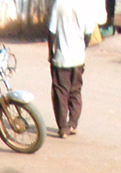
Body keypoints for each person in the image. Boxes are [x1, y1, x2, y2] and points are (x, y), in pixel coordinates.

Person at [48, 0, 96, 138]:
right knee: (75, 91)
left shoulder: (59, 4)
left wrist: (51, 52)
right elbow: (88, 34)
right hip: (78, 58)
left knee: (60, 93)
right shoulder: (86, 5)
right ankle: (73, 124)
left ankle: (63, 128)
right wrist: (81, 49)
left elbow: (51, 32)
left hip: (62, 57)